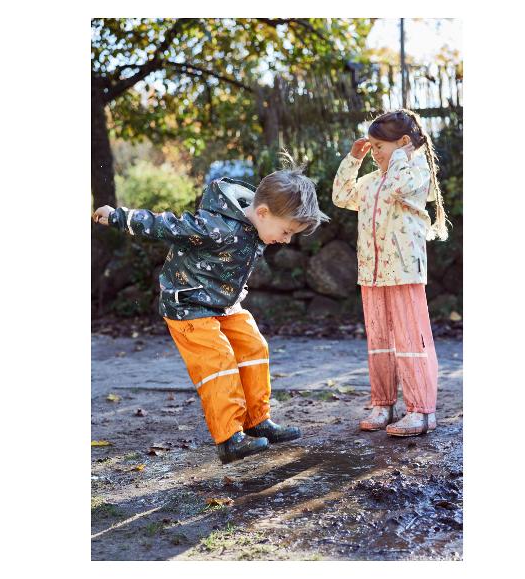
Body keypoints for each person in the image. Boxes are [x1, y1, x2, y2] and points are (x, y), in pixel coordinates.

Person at [93, 155, 329, 463]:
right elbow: (167, 225)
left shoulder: (256, 224)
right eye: (286, 232)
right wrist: (118, 216)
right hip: (188, 304)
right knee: (219, 360)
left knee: (253, 346)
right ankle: (229, 437)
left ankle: (257, 421)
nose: (286, 240)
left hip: (223, 303)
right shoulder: (213, 227)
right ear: (262, 212)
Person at [332, 109, 449, 437]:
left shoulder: (417, 175)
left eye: (378, 146)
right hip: (372, 272)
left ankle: (421, 411)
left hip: (404, 271)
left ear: (403, 142)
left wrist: (401, 155)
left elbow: (398, 186)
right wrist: (353, 160)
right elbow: (340, 196)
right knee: (379, 341)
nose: (373, 152)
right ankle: (383, 404)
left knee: (410, 340)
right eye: (371, 146)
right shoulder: (370, 182)